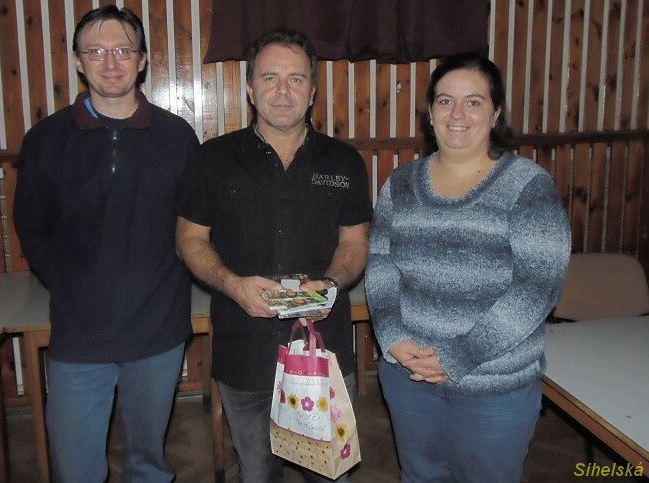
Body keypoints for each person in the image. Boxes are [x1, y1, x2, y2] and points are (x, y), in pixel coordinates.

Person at [176, 28, 372, 482]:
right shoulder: (212, 159)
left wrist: (330, 285)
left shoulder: (344, 162)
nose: (283, 90)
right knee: (258, 472)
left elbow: (355, 244)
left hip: (323, 349)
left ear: (312, 91)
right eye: (269, 78)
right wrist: (232, 284)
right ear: (249, 88)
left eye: (296, 79)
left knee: (328, 474)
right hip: (244, 349)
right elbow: (189, 239)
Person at [365, 52, 571, 482]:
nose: (457, 114)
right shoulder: (400, 184)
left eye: (473, 102)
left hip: (495, 387)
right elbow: (382, 263)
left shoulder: (528, 185)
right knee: (419, 476)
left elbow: (538, 287)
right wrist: (391, 335)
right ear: (430, 112)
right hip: (408, 376)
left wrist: (459, 354)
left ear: (495, 114)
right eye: (445, 101)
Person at [14, 5, 199, 483]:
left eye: (123, 50)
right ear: (78, 61)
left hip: (157, 329)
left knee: (148, 463)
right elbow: (32, 227)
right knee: (75, 469)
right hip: (79, 333)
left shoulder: (177, 137)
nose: (110, 62)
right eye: (96, 51)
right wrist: (70, 284)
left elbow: (196, 224)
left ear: (142, 60)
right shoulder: (47, 139)